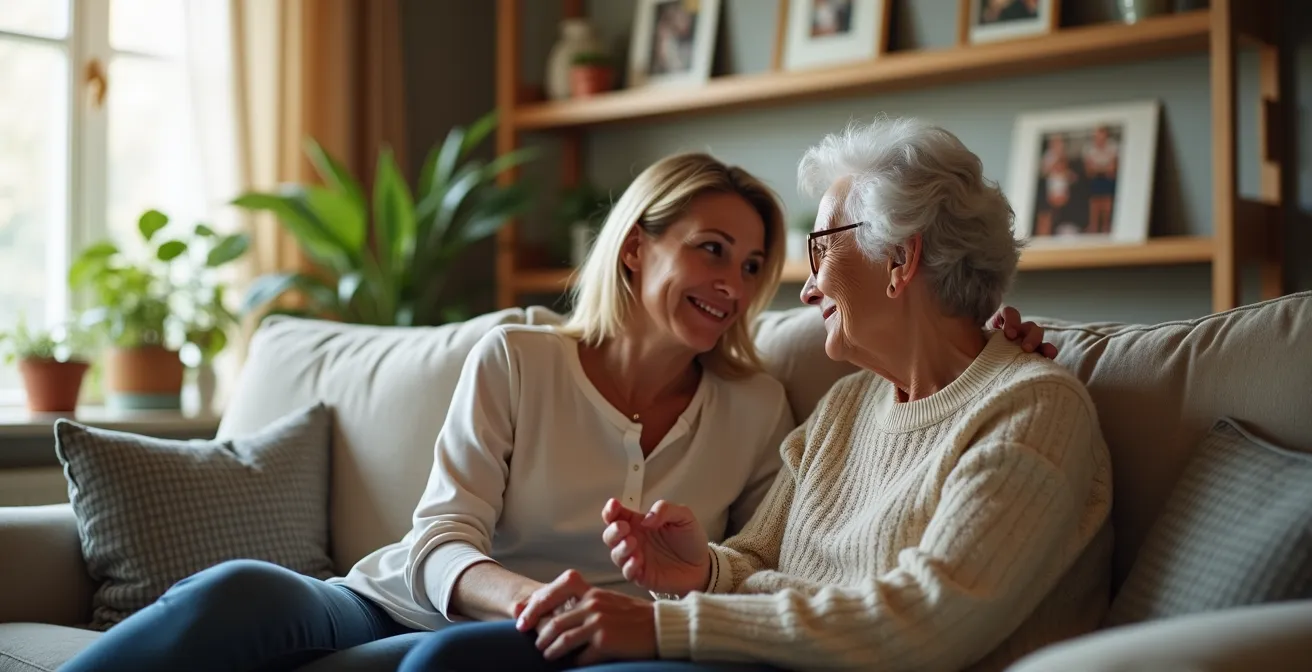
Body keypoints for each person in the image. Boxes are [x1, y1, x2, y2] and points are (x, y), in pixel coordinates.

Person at [61, 152, 1050, 672]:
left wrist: (987, 329)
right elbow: (439, 539)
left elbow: (753, 564)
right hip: (413, 599)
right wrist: (527, 598)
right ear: (637, 247)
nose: (738, 283)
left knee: (448, 666)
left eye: (755, 266)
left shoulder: (761, 406)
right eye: (711, 249)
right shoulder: (520, 358)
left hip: (585, 639)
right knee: (240, 593)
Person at [400, 119, 1110, 672]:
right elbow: (757, 560)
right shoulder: (848, 406)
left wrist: (664, 624)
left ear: (900, 260)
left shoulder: (1032, 408)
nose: (804, 288)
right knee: (445, 659)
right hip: (762, 661)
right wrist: (701, 567)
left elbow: (928, 620)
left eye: (822, 248)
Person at [1082, 126, 1119, 234]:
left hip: (1108, 179)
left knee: (1107, 201)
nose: (1100, 140)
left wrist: (1098, 168)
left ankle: (1106, 226)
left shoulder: (1113, 146)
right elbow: (1089, 171)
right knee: (1094, 201)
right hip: (1094, 179)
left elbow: (1113, 169)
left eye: (1103, 137)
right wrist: (1104, 168)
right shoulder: (1088, 148)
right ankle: (1093, 226)